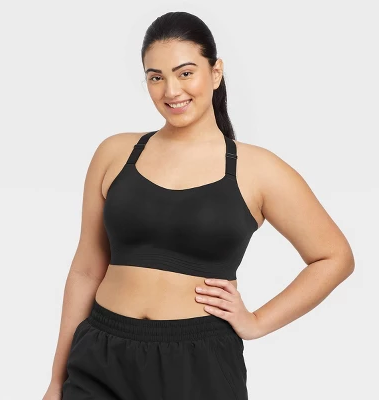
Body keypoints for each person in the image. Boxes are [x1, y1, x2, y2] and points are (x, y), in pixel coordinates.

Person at [43, 11, 355, 400]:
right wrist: (56, 381)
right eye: (156, 77)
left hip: (198, 363)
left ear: (216, 72)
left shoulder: (259, 169)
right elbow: (87, 270)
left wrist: (257, 322)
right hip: (101, 355)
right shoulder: (115, 153)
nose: (171, 90)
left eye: (185, 73)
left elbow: (335, 257)